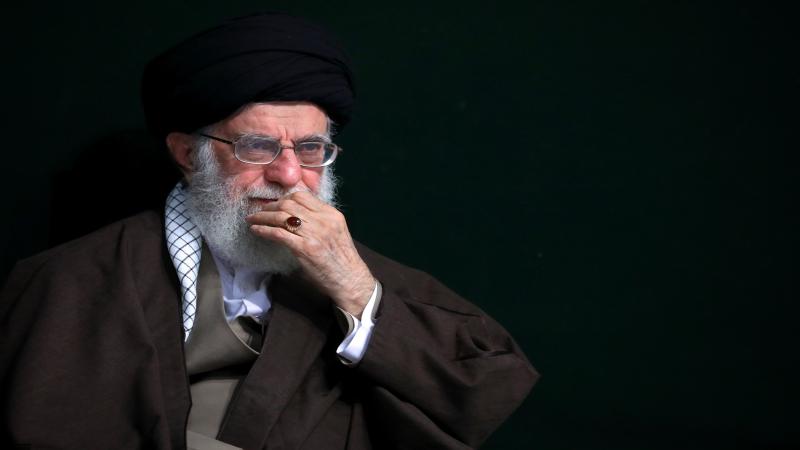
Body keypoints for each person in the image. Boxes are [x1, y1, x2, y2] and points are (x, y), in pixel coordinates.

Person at [0, 13, 538, 450]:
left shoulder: (352, 269)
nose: (288, 174)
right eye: (257, 147)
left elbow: (486, 387)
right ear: (187, 153)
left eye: (310, 149)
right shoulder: (69, 280)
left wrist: (354, 288)